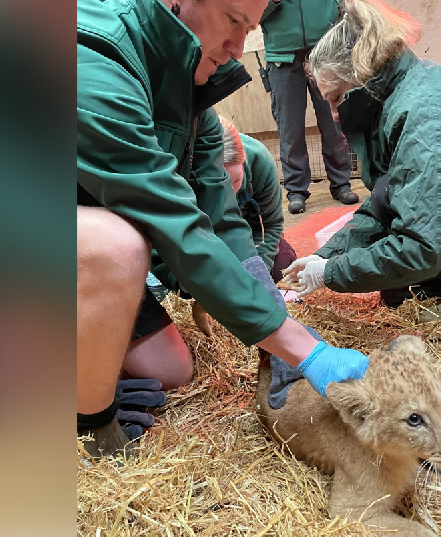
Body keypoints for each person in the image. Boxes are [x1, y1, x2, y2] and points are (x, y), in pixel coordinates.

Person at [77, 0, 369, 459]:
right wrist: (303, 349)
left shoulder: (196, 97)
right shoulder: (94, 57)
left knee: (170, 369)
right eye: (233, 21)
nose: (238, 48)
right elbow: (172, 223)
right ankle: (82, 418)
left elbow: (222, 222)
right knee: (114, 247)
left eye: (250, 28)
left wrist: (275, 318)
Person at [281, 0, 441, 319]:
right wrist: (324, 257)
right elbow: (382, 206)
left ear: (360, 74)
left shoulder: (426, 112)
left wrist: (330, 272)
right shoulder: (400, 97)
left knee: (396, 205)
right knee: (401, 292)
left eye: (335, 99)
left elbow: (422, 242)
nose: (333, 116)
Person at [258, 0, 359, 214]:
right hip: (281, 58)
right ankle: (296, 190)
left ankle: (341, 183)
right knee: (289, 130)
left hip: (326, 52)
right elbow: (252, 14)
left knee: (333, 123)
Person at [219, 116, 298, 282]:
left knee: (284, 266)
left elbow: (271, 225)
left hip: (250, 237)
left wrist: (259, 273)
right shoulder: (177, 170)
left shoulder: (259, 161)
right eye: (222, 188)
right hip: (208, 242)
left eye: (236, 181)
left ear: (244, 161)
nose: (231, 194)